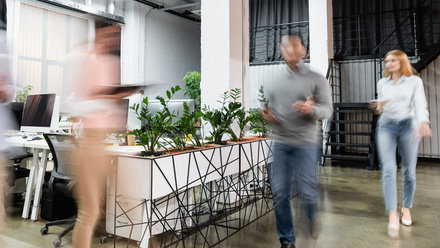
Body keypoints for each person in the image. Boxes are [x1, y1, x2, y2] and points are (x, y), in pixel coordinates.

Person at [66, 25, 136, 248]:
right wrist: (109, 96)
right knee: (90, 212)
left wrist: (112, 96)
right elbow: (78, 104)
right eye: (110, 35)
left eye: (117, 37)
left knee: (95, 210)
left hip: (99, 143)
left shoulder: (105, 64)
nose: (114, 41)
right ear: (99, 34)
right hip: (90, 143)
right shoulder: (86, 60)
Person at [261, 35, 333, 248]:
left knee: (308, 190)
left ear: (304, 50)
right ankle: (287, 240)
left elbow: (327, 111)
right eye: (285, 46)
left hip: (306, 143)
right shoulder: (274, 82)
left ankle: (312, 215)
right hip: (282, 143)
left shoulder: (316, 79)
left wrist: (311, 109)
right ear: (281, 51)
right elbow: (274, 114)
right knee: (280, 193)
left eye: (295, 46)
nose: (290, 50)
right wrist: (271, 119)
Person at [369, 49, 431, 239]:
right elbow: (380, 110)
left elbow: (420, 104)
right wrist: (378, 106)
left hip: (408, 126)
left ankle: (406, 208)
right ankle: (392, 213)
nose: (389, 64)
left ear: (402, 62)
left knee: (409, 171)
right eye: (387, 61)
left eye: (393, 60)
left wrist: (423, 122)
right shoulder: (382, 83)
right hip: (386, 125)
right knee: (388, 168)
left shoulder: (414, 81)